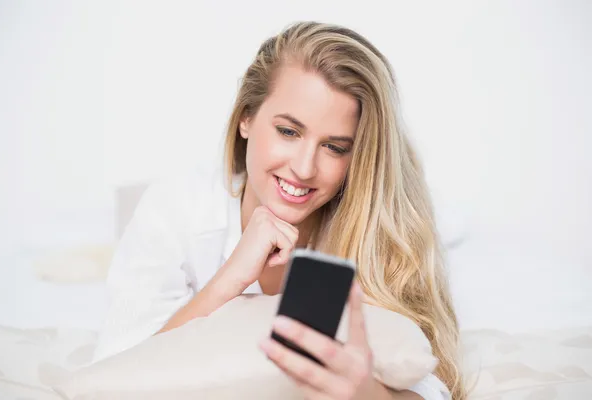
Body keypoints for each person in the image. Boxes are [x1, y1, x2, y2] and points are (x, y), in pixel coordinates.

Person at [94, 21, 466, 400]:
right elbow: (111, 379)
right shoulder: (174, 209)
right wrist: (230, 281)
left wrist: (368, 394)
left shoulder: (378, 230)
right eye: (289, 132)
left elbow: (432, 386)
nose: (304, 169)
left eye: (335, 147)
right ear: (246, 118)